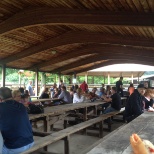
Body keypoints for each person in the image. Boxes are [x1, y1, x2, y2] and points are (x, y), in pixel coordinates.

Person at [0, 87, 34, 153]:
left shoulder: (1, 107)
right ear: (11, 95)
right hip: (30, 141)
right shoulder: (21, 106)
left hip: (15, 146)